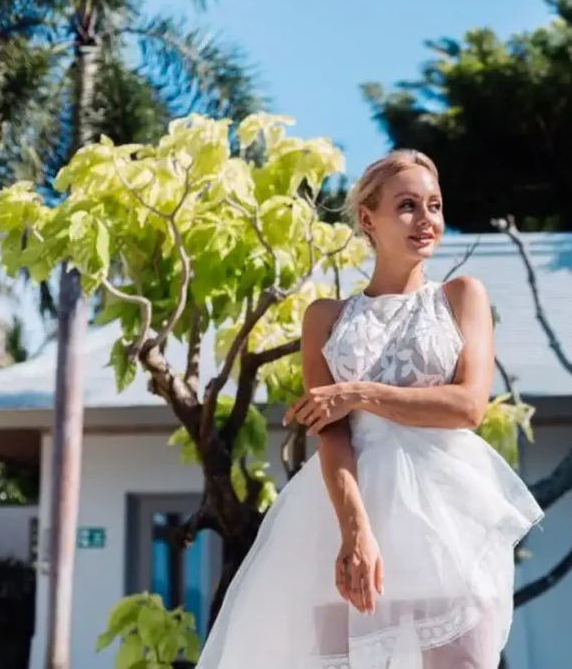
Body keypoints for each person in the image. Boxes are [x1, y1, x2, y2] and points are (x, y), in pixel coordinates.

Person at [196, 150, 544, 669]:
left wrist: (358, 393)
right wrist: (355, 531)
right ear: (367, 219)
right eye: (407, 206)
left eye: (435, 205)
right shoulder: (324, 317)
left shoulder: (461, 296)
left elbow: (468, 406)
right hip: (335, 513)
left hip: (443, 518)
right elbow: (331, 434)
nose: (426, 220)